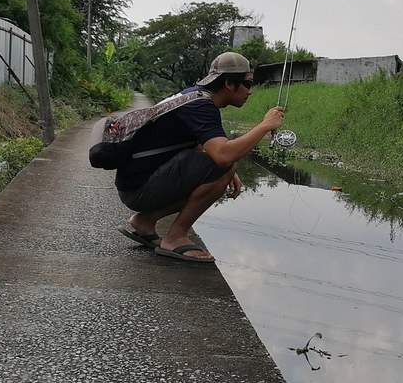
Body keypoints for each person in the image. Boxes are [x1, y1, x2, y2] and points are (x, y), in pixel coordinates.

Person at [115, 51, 284, 263]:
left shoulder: (192, 96)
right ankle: (175, 237)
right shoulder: (201, 106)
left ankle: (145, 222)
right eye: (248, 84)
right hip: (139, 189)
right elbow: (223, 156)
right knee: (224, 165)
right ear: (230, 83)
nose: (250, 91)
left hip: (134, 183)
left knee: (224, 166)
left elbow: (199, 147)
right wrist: (265, 125)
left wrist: (228, 169)